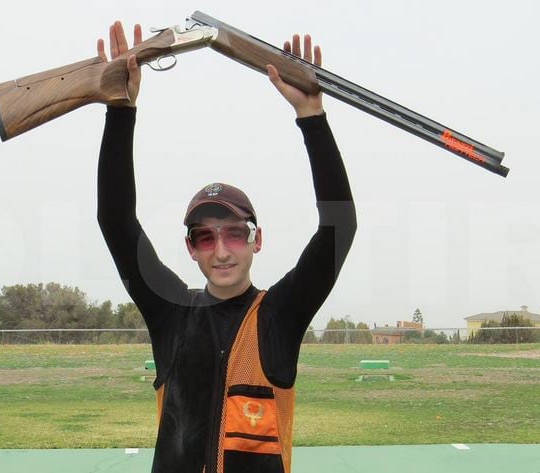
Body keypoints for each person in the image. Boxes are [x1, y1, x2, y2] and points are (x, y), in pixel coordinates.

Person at [96, 21, 356, 473]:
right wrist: (121, 110)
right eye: (205, 236)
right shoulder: (170, 311)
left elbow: (340, 227)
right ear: (191, 248)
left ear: (257, 241)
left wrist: (311, 115)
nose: (221, 250)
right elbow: (116, 221)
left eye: (235, 233)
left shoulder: (280, 315)